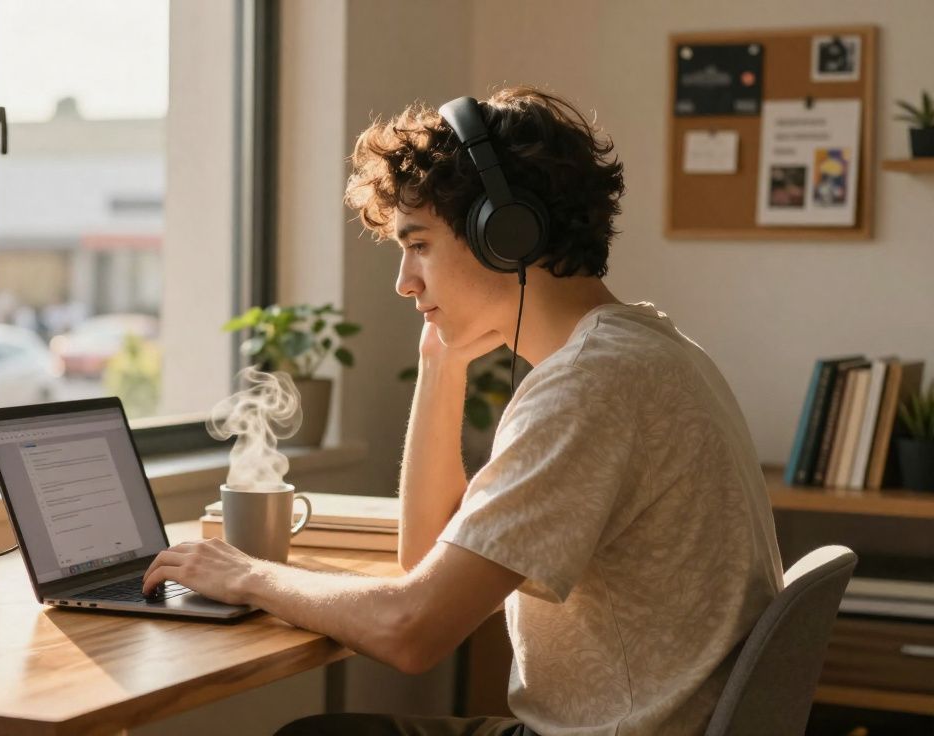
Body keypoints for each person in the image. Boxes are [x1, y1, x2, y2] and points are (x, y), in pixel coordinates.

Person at [142, 87, 783, 736]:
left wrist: (249, 575)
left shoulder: (591, 386)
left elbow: (410, 631)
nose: (404, 282)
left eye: (417, 244)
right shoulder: (645, 347)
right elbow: (426, 558)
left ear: (505, 234)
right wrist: (439, 365)